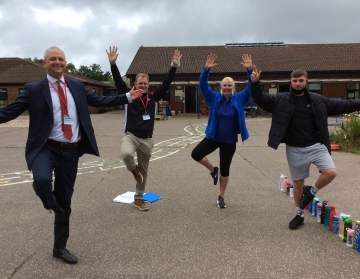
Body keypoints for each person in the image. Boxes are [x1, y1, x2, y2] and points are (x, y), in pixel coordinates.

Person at [0, 46, 144, 263]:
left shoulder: (76, 86)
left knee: (66, 199)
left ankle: (59, 247)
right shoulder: (33, 89)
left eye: (61, 59)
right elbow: (8, 113)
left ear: (65, 62)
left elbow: (99, 101)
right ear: (44, 63)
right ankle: (51, 204)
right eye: (52, 59)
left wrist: (127, 96)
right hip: (46, 148)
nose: (57, 62)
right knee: (41, 181)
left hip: (70, 151)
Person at [250, 65, 360, 229]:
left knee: (331, 172)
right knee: (298, 183)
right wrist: (256, 83)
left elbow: (344, 105)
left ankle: (312, 191)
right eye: (295, 81)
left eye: (301, 80)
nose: (298, 84)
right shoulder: (281, 99)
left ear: (306, 81)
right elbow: (262, 100)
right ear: (291, 82)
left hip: (316, 145)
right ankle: (299, 214)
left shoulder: (318, 100)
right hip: (294, 148)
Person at [106, 46, 182, 211]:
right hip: (131, 136)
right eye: (139, 83)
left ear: (149, 85)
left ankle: (139, 199)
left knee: (144, 170)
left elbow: (167, 82)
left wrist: (174, 66)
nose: (142, 85)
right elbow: (119, 82)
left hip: (147, 138)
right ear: (135, 84)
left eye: (145, 83)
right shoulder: (129, 96)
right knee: (126, 154)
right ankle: (133, 170)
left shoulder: (153, 97)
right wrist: (113, 65)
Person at [191, 54, 253, 208]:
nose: (226, 87)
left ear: (232, 88)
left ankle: (221, 196)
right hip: (213, 137)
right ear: (221, 87)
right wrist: (206, 69)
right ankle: (213, 170)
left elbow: (251, 86)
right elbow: (203, 86)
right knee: (196, 154)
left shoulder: (239, 98)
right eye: (224, 85)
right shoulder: (214, 97)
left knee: (226, 170)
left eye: (229, 85)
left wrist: (249, 70)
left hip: (229, 141)